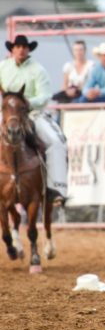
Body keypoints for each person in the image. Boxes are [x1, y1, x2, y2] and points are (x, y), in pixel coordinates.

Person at [0, 35, 68, 204]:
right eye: (18, 46)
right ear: (12, 50)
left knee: (56, 142)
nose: (21, 49)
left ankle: (56, 188)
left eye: (24, 47)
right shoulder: (2, 67)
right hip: (7, 113)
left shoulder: (38, 70)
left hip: (31, 114)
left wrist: (28, 103)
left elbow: (45, 96)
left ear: (29, 50)